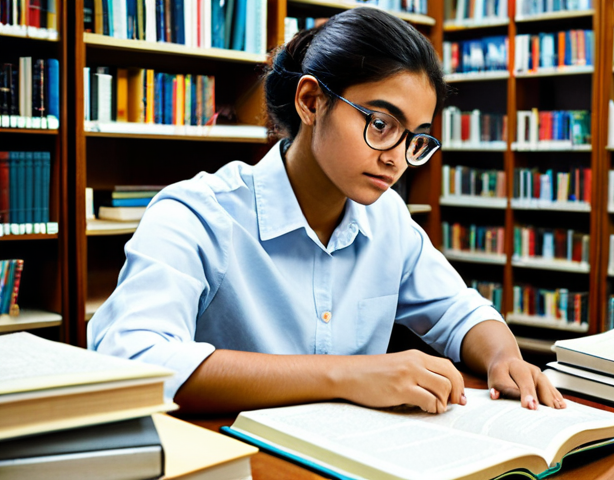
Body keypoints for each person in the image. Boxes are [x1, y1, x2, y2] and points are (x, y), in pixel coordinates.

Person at [88, 7, 565, 415]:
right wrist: (348, 375)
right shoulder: (196, 213)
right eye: (380, 123)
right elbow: (134, 360)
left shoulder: (389, 220)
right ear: (311, 101)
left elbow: (459, 312)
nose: (397, 157)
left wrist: (505, 355)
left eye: (414, 137)